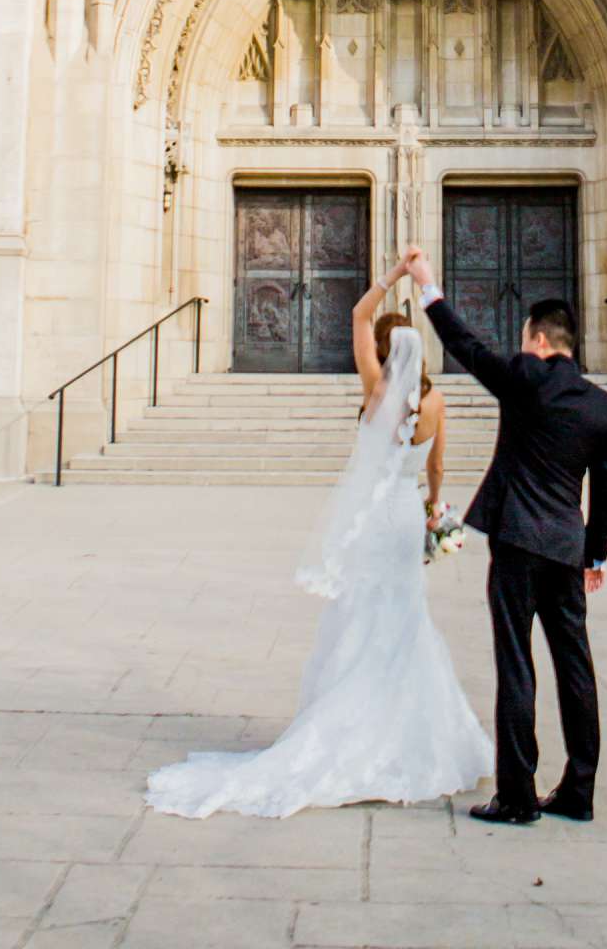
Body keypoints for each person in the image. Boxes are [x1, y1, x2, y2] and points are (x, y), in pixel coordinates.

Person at [144, 256, 489, 818]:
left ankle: (348, 717)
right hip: (404, 518)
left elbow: (358, 314)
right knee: (406, 615)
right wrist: (431, 513)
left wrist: (394, 275)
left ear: (381, 353)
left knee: (361, 615)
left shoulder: (377, 391)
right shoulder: (436, 402)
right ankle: (404, 732)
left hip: (374, 521)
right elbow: (438, 470)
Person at [405, 243, 607, 826]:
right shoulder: (600, 407)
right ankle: (579, 791)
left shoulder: (527, 377)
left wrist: (428, 286)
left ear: (542, 343)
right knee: (575, 665)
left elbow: (467, 348)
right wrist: (593, 554)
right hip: (567, 548)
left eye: (527, 340)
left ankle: (518, 795)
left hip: (519, 544)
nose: (523, 348)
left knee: (516, 662)